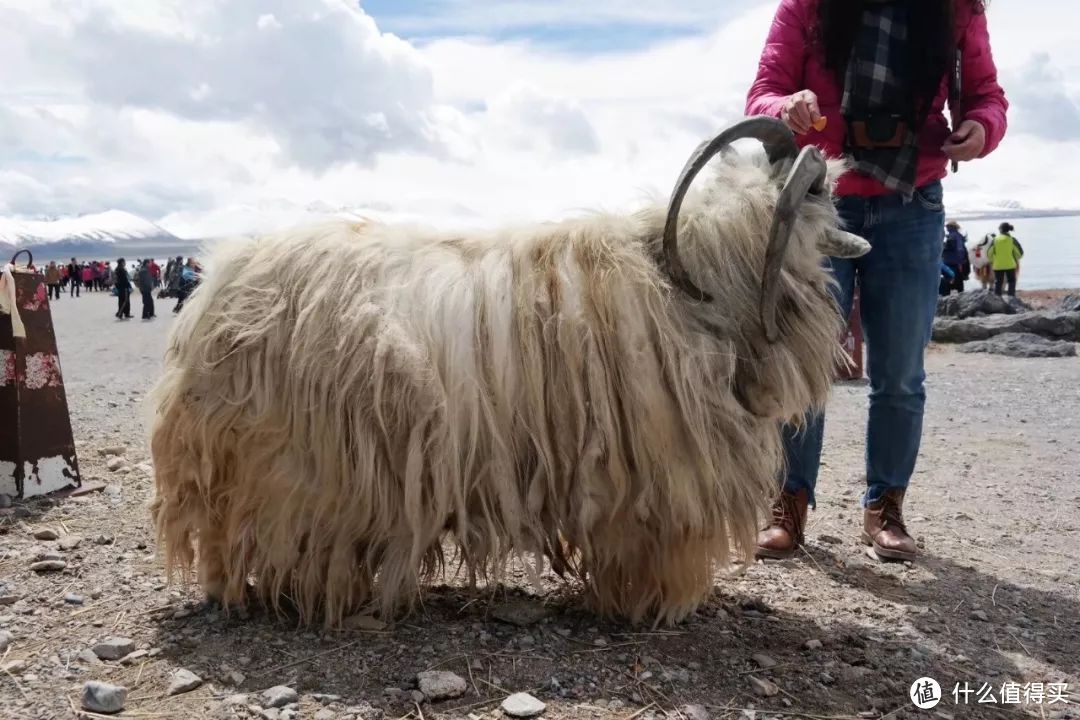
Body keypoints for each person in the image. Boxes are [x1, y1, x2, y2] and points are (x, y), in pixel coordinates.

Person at [747, 0, 1007, 561]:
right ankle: (786, 504)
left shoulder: (958, 9)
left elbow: (988, 97)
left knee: (900, 376)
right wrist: (786, 105)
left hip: (912, 204)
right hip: (819, 203)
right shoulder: (807, 5)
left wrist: (981, 128)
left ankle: (884, 509)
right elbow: (763, 90)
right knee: (802, 365)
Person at [989, 221, 1023, 297]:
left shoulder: (994, 240)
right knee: (1011, 281)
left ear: (1000, 229)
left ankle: (997, 299)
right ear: (1008, 230)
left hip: (997, 265)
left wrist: (993, 260)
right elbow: (1020, 253)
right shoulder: (1012, 240)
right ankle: (1011, 298)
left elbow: (989, 253)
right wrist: (1014, 258)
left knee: (998, 282)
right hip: (1010, 265)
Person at [940, 220, 969, 295]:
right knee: (959, 284)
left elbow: (949, 246)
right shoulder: (959, 236)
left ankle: (947, 300)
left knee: (949, 283)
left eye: (947, 227)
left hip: (950, 262)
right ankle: (961, 298)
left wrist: (941, 246)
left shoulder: (952, 236)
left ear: (950, 227)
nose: (946, 228)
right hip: (959, 263)